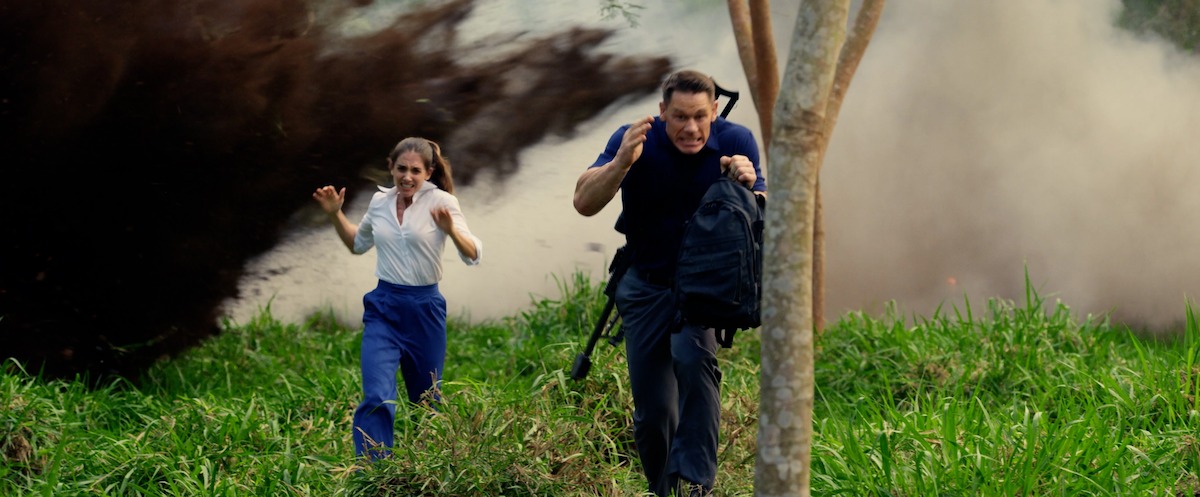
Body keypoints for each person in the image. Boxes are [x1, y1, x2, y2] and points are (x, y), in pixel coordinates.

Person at [572, 70, 766, 497]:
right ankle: (665, 490)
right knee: (654, 412)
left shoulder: (737, 141)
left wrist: (749, 188)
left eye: (700, 116)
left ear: (714, 111)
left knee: (695, 364)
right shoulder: (634, 139)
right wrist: (622, 161)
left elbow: (763, 216)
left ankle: (698, 486)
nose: (691, 127)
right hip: (644, 283)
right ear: (662, 112)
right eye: (679, 116)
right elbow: (584, 202)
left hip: (704, 289)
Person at [312, 137, 482, 461]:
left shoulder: (443, 202)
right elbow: (357, 244)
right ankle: (374, 477)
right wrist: (335, 214)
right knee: (376, 394)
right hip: (384, 308)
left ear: (429, 172)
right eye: (401, 168)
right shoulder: (379, 203)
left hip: (425, 310)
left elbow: (473, 253)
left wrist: (452, 229)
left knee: (427, 402)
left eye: (415, 171)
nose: (407, 177)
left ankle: (427, 473)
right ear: (390, 167)